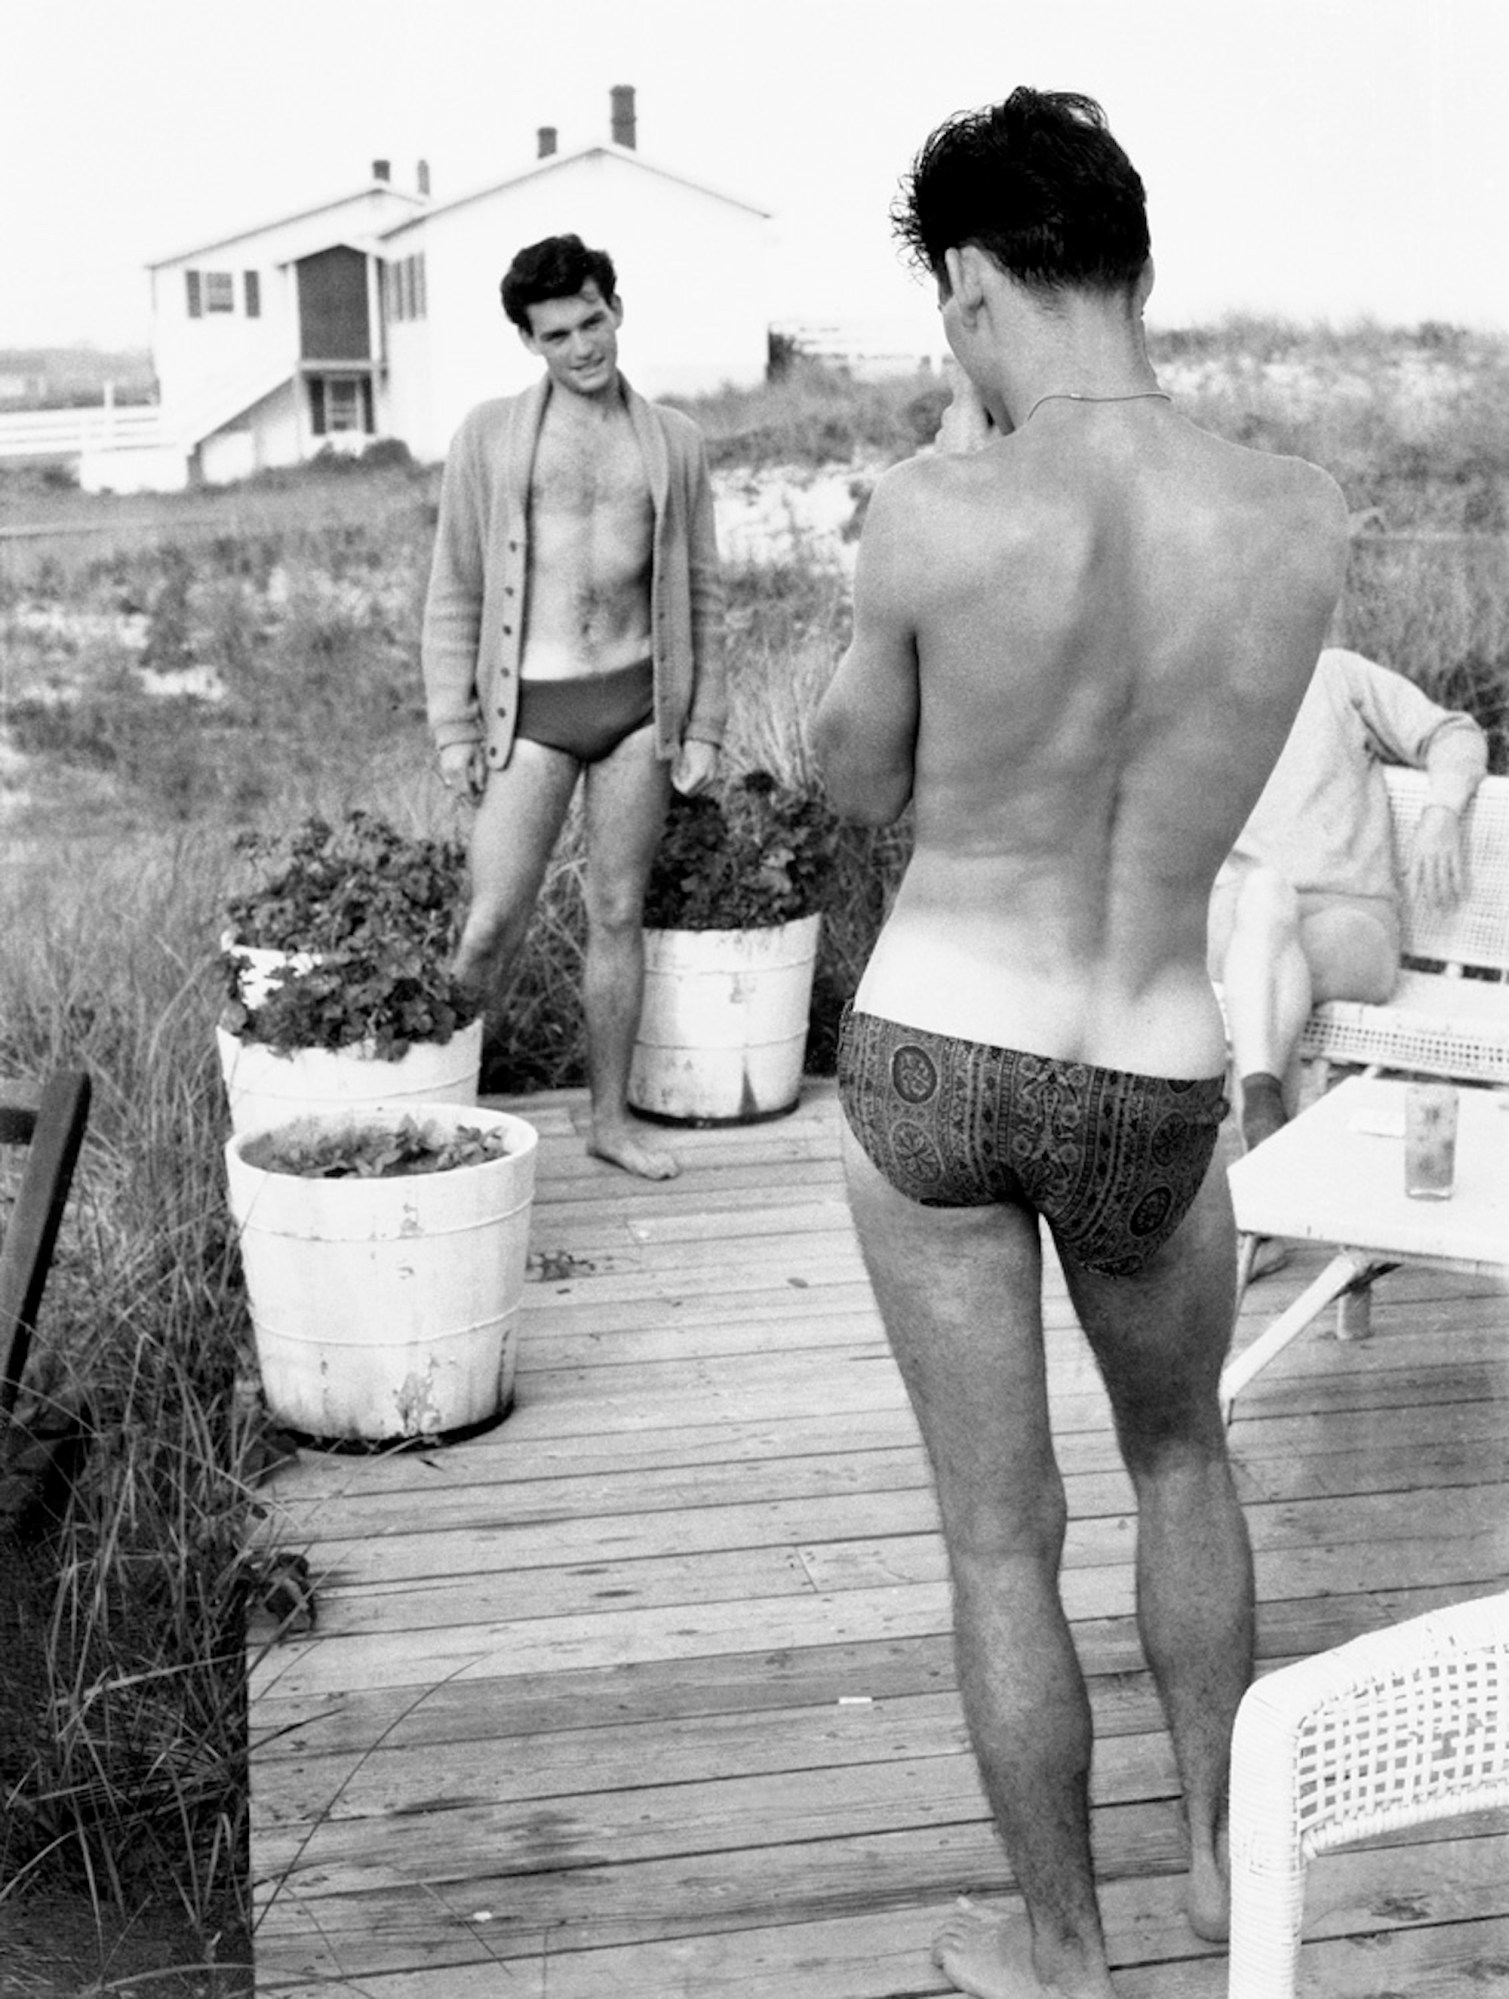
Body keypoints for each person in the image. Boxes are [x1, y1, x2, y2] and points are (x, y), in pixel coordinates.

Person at [811, 89, 1348, 1999]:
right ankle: (1220, 1874)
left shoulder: (930, 507)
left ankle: (1059, 1949)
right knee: (1180, 1454)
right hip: (1146, 1065)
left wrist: (955, 462)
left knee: (993, 1539)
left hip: (937, 1052)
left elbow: (852, 781)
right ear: (1128, 259)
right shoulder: (1291, 515)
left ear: (968, 285)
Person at [421, 233, 726, 1179]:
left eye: (592, 321)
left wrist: (704, 722)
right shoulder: (489, 437)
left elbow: (704, 591)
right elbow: (455, 587)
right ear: (528, 341)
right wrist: (453, 725)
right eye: (556, 334)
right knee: (489, 923)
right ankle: (433, 1121)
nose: (582, 347)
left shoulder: (673, 441)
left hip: (638, 704)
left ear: (617, 312)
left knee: (617, 909)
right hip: (531, 710)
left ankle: (608, 1121)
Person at [1208, 646, 1488, 1154]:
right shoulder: (1197, 688)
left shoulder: (1337, 675)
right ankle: (1269, 1131)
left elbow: (1453, 733)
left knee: (1269, 967)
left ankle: (1257, 1109)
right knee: (1267, 897)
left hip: (1349, 922)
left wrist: (1443, 810)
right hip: (1245, 915)